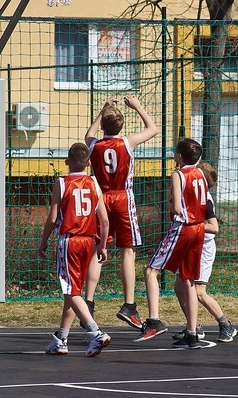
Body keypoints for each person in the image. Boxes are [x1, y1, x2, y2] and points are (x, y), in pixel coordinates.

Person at [83, 96, 159, 329]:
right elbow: (153, 128)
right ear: (121, 126)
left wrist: (102, 111)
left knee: (99, 248)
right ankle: (129, 305)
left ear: (103, 126)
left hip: (101, 198)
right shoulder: (127, 143)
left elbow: (88, 135)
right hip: (123, 198)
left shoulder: (94, 145)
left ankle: (88, 301)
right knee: (128, 251)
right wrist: (137, 106)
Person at [38, 142, 112, 357]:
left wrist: (43, 241)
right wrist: (103, 245)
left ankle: (94, 331)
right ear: (89, 163)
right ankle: (61, 338)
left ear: (66, 161)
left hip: (69, 240)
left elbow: (53, 219)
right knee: (73, 291)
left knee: (70, 290)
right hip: (89, 240)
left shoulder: (62, 183)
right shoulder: (94, 183)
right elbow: (104, 220)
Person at [135, 138, 207, 348]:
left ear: (179, 155)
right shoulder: (201, 173)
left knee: (151, 270)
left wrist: (169, 202)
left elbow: (176, 206)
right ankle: (192, 333)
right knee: (189, 281)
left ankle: (154, 319)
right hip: (199, 228)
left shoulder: (178, 174)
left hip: (183, 227)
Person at [172, 161, 238, 344]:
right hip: (190, 245)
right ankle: (194, 327)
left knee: (199, 292)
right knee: (179, 287)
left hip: (203, 248)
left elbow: (214, 227)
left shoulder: (206, 200)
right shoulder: (190, 195)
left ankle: (225, 324)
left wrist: (191, 225)